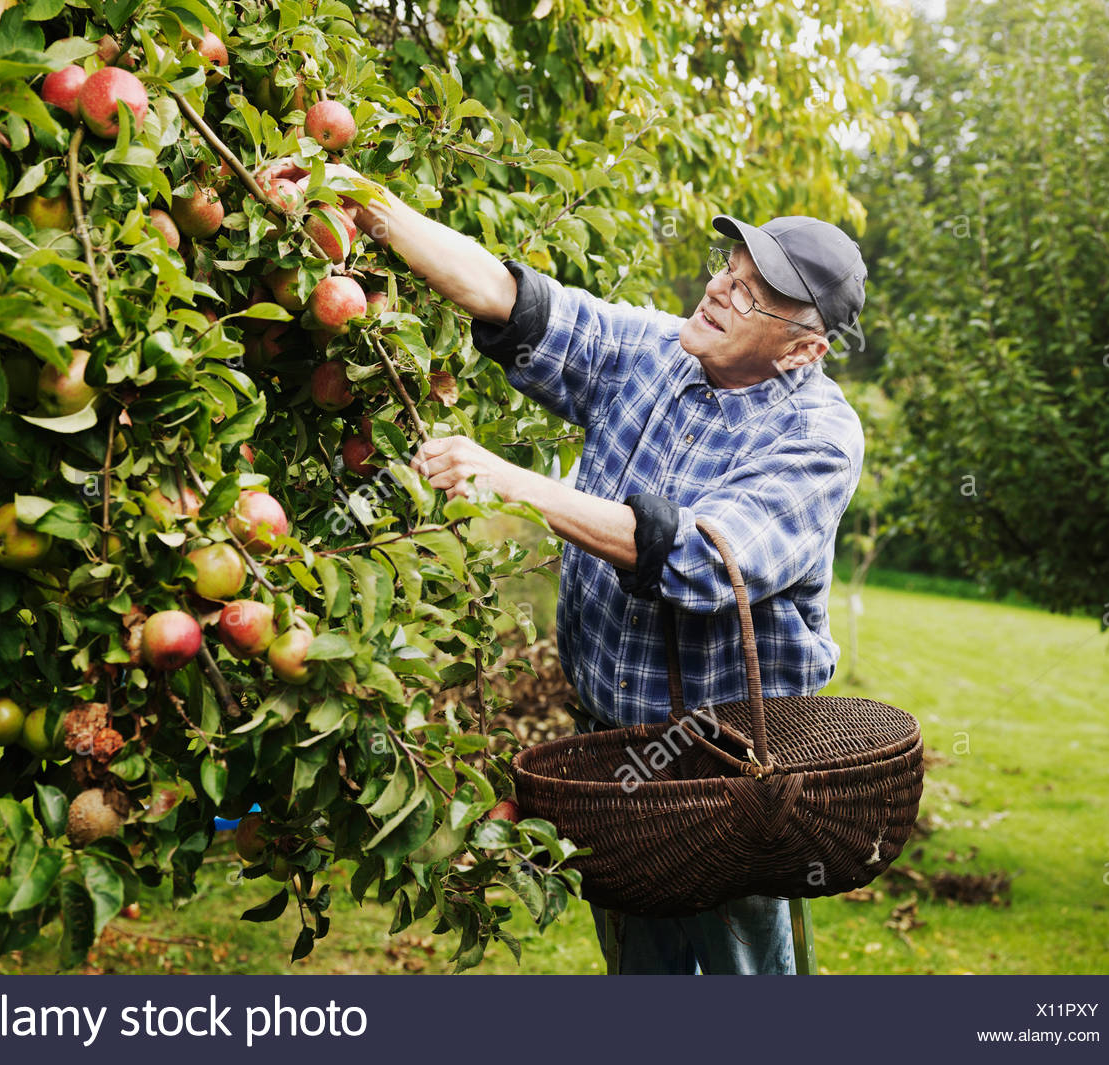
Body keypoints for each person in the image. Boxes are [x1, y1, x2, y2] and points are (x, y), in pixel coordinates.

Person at [330, 163, 867, 974]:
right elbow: (515, 300)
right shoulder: (655, 352)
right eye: (730, 269)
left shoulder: (819, 436)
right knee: (640, 970)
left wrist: (515, 482)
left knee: (742, 976)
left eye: (754, 294)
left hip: (734, 772)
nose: (721, 290)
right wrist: (368, 204)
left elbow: (706, 557)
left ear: (806, 347)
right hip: (614, 756)